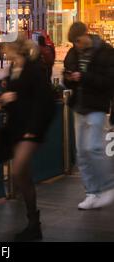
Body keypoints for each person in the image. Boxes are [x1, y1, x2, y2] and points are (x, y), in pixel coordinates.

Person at [2, 37, 55, 241]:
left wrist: (34, 129)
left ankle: (34, 222)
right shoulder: (12, 70)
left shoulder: (34, 71)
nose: (4, 52)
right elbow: (10, 97)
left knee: (18, 169)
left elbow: (44, 101)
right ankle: (33, 223)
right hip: (18, 129)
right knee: (22, 175)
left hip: (31, 131)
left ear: (16, 50)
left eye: (7, 49)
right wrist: (7, 99)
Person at [63, 22, 114, 210]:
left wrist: (83, 78)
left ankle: (108, 186)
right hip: (79, 105)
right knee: (82, 152)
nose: (76, 45)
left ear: (85, 34)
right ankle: (91, 192)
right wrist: (68, 78)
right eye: (73, 42)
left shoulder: (105, 52)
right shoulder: (73, 53)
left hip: (97, 106)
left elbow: (109, 81)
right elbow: (66, 77)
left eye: (77, 41)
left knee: (93, 147)